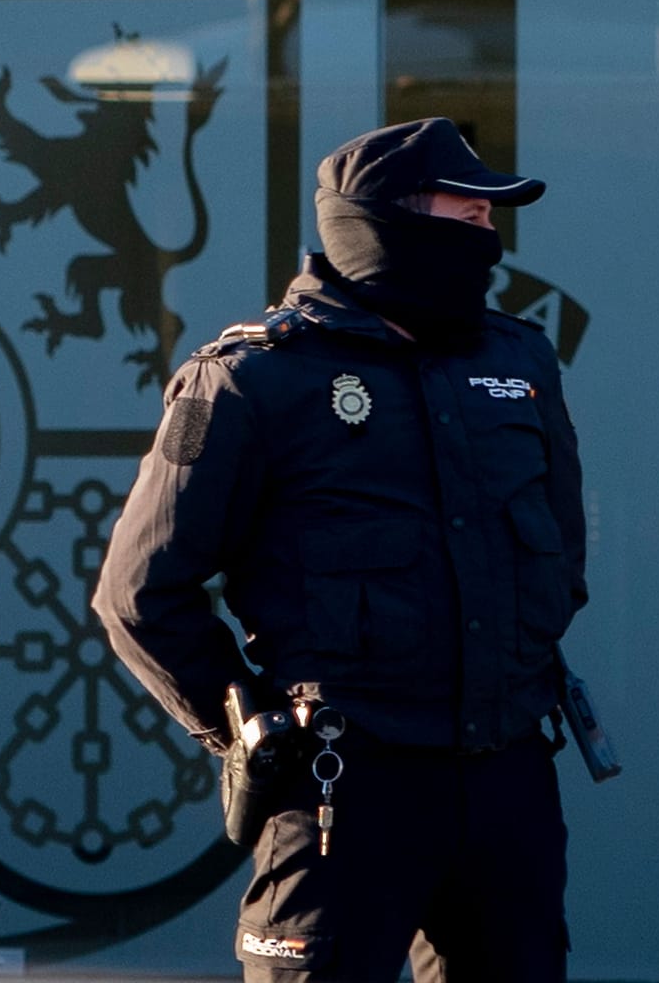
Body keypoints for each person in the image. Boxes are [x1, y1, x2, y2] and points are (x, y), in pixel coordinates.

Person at [93, 117, 586, 982]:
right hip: (341, 789)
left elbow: (562, 555)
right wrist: (249, 728)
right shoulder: (249, 379)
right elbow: (140, 592)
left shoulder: (519, 359)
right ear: (388, 224)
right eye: (467, 218)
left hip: (508, 779)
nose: (489, 240)